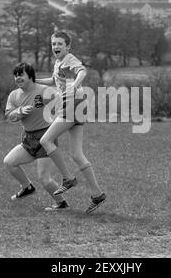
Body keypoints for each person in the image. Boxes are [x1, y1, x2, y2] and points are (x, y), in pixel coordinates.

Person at [36, 30, 106, 214]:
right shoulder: (59, 62)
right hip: (77, 105)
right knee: (76, 154)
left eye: (60, 44)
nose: (56, 47)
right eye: (53, 44)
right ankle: (97, 194)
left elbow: (82, 70)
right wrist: (34, 81)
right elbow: (54, 80)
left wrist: (75, 84)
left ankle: (68, 178)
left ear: (68, 47)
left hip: (73, 103)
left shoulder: (69, 59)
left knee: (45, 140)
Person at [3, 62, 68, 211]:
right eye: (15, 75)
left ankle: (61, 203)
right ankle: (27, 187)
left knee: (45, 179)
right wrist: (19, 111)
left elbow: (62, 107)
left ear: (30, 76)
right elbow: (9, 116)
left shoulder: (44, 91)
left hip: (46, 138)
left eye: (21, 75)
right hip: (28, 138)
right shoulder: (14, 95)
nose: (17, 78)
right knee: (9, 162)